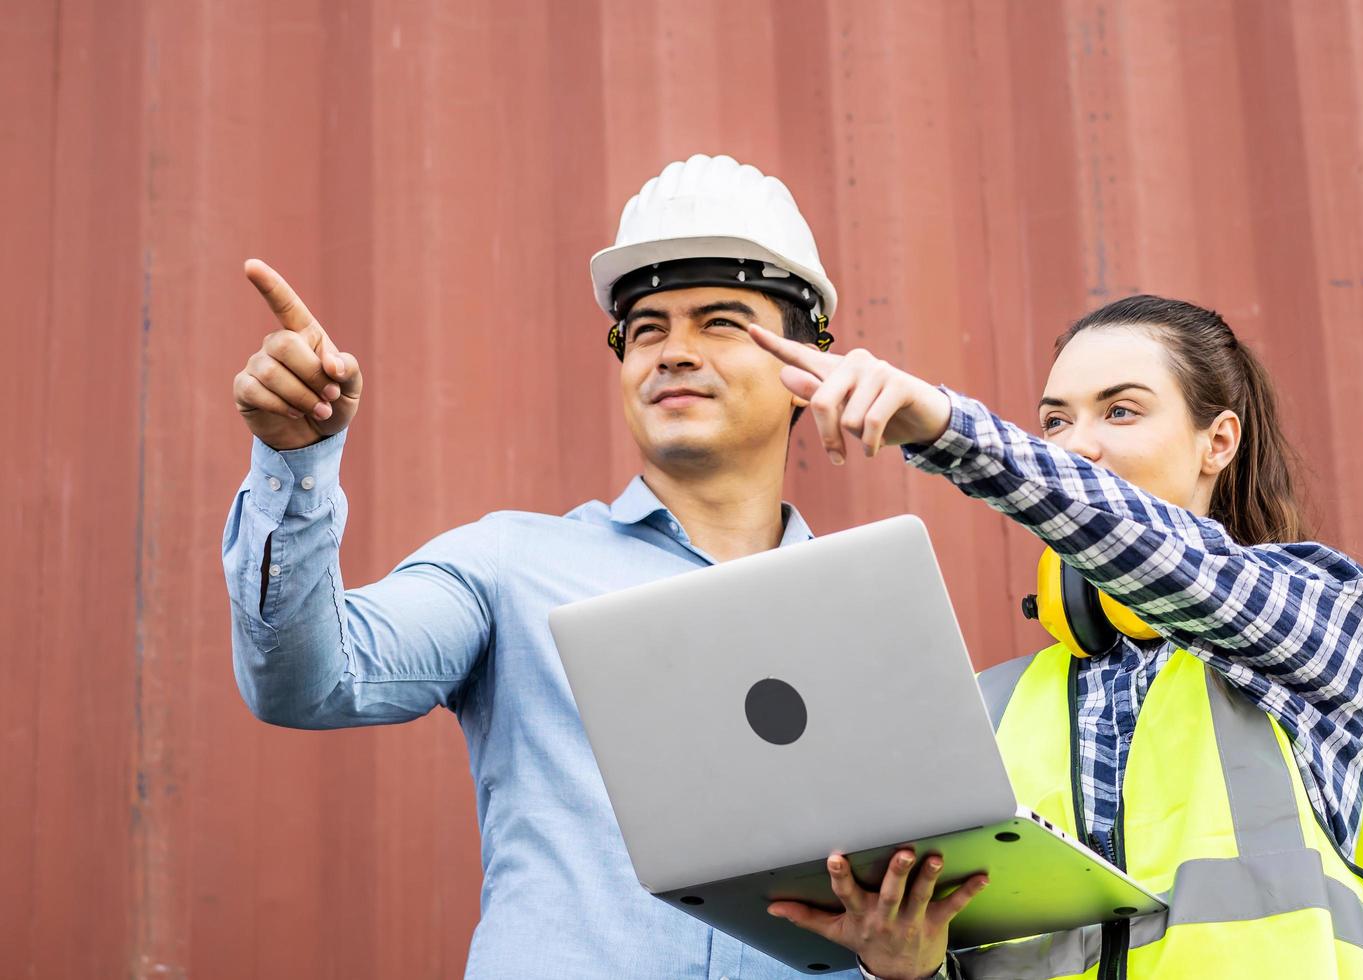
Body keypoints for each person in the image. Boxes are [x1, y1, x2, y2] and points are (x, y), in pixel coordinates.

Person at [223, 153, 898, 978]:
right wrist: (296, 462)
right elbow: (307, 682)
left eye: (720, 321)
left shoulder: (870, 619)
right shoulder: (509, 567)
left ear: (806, 371)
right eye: (646, 329)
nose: (673, 351)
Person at [750, 296, 1363, 979]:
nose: (1078, 445)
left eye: (1121, 410)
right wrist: (909, 965)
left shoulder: (1322, 614)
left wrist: (945, 428)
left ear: (1219, 441)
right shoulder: (991, 707)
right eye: (1055, 421)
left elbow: (1174, 563)